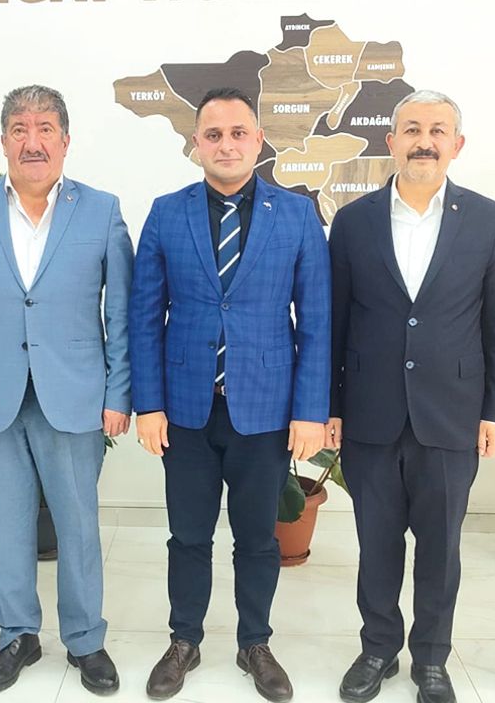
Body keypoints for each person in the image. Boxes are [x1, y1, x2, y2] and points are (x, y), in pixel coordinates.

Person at [0, 84, 133, 696]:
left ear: (65, 141)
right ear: (3, 141)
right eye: (20, 128)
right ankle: (17, 635)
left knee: (78, 525)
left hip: (75, 393)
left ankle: (85, 639)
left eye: (45, 129)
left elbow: (121, 313)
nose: (32, 141)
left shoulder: (101, 210)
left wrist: (118, 394)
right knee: (7, 524)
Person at [130, 87, 331, 703]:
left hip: (266, 408)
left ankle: (255, 643)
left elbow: (316, 320)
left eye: (238, 132)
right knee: (188, 535)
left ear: (259, 139)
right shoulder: (167, 212)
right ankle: (184, 640)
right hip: (185, 409)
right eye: (213, 135)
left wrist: (310, 412)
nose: (226, 144)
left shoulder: (295, 214)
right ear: (196, 144)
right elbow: (144, 316)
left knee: (258, 538)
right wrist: (148, 404)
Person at [328, 89, 495, 703]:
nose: (424, 141)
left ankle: (431, 659)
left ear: (456, 145)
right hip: (370, 414)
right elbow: (334, 321)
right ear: (391, 142)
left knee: (441, 549)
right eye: (412, 129)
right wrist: (331, 406)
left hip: (452, 415)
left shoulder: (488, 219)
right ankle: (378, 648)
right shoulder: (353, 221)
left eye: (438, 130)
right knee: (376, 544)